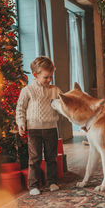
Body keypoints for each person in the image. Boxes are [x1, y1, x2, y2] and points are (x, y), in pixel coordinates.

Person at [16, 56, 61, 196]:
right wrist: (21, 123)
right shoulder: (27, 90)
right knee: (34, 158)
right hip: (34, 129)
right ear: (35, 75)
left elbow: (64, 105)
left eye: (51, 77)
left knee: (51, 157)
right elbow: (20, 108)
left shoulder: (55, 90)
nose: (49, 80)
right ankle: (34, 185)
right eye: (46, 77)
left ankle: (52, 182)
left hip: (51, 128)